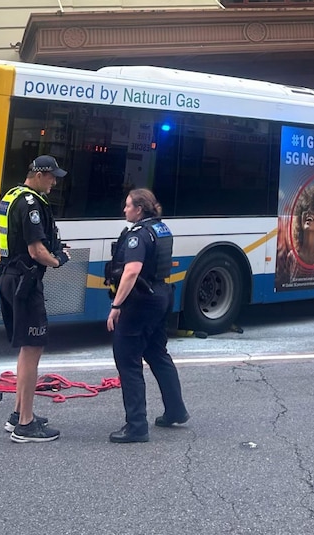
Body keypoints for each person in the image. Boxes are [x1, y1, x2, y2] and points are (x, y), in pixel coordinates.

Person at [106, 188, 188, 443]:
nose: (125, 210)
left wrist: (117, 306)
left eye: (128, 205)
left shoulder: (139, 235)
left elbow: (131, 271)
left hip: (140, 302)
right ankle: (175, 410)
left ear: (139, 209)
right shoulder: (161, 229)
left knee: (128, 361)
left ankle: (136, 427)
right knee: (157, 354)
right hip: (162, 296)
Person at [0, 155, 70, 443]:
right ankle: (25, 425)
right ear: (39, 174)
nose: (54, 182)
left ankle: (18, 413)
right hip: (25, 281)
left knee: (26, 348)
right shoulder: (31, 204)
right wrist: (59, 260)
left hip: (9, 277)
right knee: (33, 348)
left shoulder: (11, 195)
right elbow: (36, 251)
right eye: (52, 177)